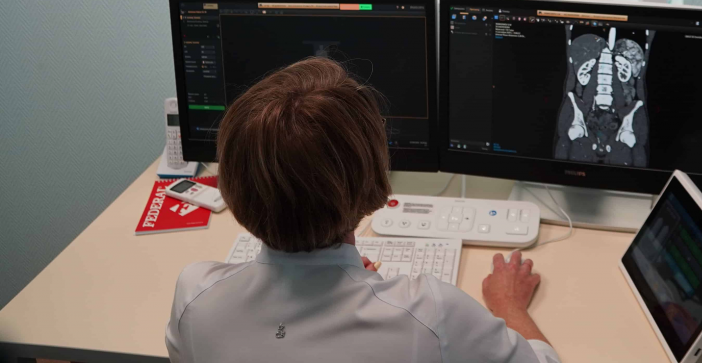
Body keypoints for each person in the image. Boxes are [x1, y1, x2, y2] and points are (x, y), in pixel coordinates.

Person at [165, 57, 559, 363]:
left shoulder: (194, 295)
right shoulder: (432, 313)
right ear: (370, 174)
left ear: (233, 186)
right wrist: (509, 305)